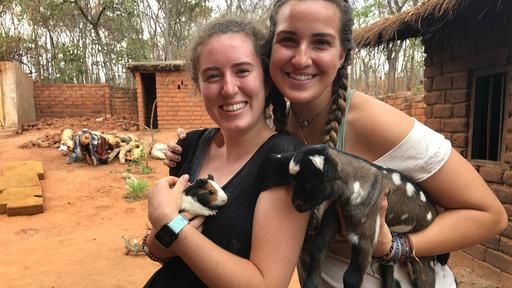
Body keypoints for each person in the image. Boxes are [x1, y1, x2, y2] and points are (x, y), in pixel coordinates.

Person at [166, 0, 508, 287]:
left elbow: (489, 216)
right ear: (270, 53)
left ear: (343, 54)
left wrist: (394, 246)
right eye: (288, 40)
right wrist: (188, 151)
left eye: (321, 43)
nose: (301, 58)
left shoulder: (372, 123)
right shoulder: (277, 123)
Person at [143, 18, 309, 287]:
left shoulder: (285, 160)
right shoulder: (190, 147)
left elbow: (267, 283)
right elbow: (159, 249)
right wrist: (164, 229)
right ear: (198, 87)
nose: (229, 89)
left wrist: (168, 222)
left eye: (242, 71)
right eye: (213, 75)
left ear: (267, 81)